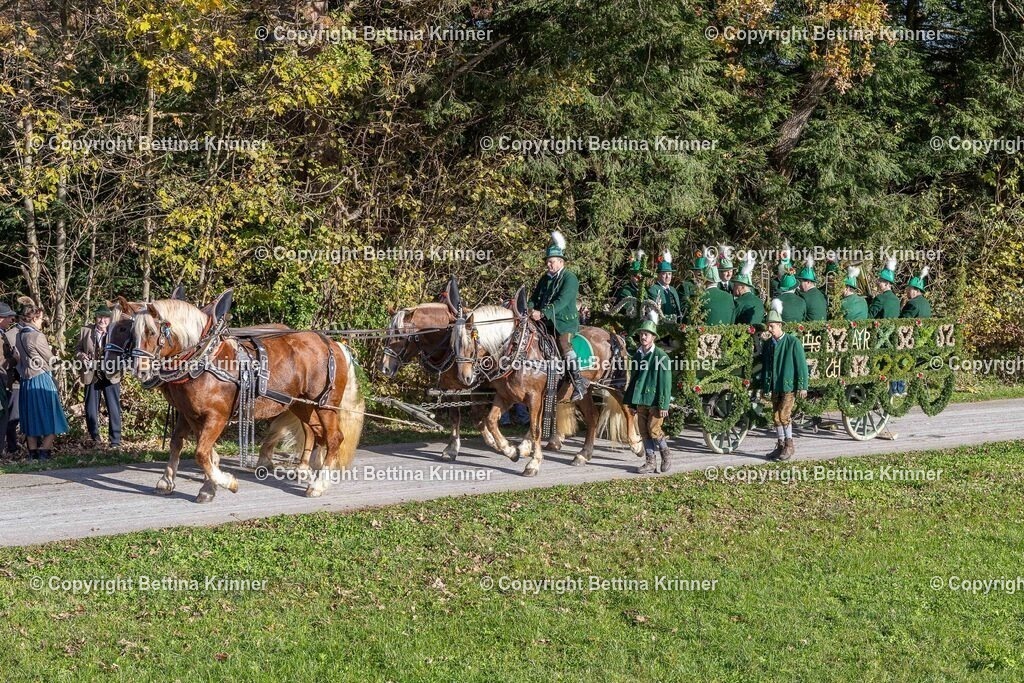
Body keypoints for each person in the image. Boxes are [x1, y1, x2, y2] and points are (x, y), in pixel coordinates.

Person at [528, 231, 587, 401]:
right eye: (547, 261)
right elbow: (534, 298)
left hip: (564, 322)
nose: (548, 264)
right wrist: (530, 309)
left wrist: (543, 312)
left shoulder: (570, 278)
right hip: (543, 321)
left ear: (561, 262)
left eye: (551, 261)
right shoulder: (545, 278)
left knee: (563, 343)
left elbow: (562, 301)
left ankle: (578, 381)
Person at [12, 302, 68, 460]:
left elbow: (20, 360)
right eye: (41, 318)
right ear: (34, 318)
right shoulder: (37, 336)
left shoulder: (19, 335)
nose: (42, 321)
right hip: (41, 378)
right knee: (53, 416)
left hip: (26, 381)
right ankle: (44, 451)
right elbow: (49, 359)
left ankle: (33, 453)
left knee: (31, 417)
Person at [623, 310, 672, 474]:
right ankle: (650, 462)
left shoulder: (661, 356)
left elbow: (665, 383)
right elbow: (634, 380)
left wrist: (664, 404)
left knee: (654, 430)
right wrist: (631, 403)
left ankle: (666, 454)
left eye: (647, 334)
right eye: (641, 334)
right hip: (641, 400)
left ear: (653, 337)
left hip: (655, 401)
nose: (643, 337)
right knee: (644, 432)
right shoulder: (637, 355)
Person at [761, 299, 809, 461]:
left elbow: (801, 365)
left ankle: (789, 445)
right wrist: (765, 386)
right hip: (775, 385)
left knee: (784, 415)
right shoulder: (769, 344)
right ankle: (780, 445)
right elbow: (767, 367)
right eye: (768, 326)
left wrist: (802, 386)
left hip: (789, 385)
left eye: (772, 326)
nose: (770, 329)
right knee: (775, 416)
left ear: (780, 325)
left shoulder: (792, 342)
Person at [75, 306, 123, 449]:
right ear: (95, 318)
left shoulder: (116, 332)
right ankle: (95, 438)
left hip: (111, 374)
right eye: (100, 317)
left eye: (105, 317)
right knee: (90, 407)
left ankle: (115, 440)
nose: (102, 320)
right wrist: (81, 356)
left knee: (113, 407)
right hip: (91, 374)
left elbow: (123, 351)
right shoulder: (86, 330)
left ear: (110, 319)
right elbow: (77, 349)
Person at [647, 251, 685, 321]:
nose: (668, 277)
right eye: (664, 274)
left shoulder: (673, 290)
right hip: (662, 323)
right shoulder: (653, 289)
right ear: (658, 275)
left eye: (669, 274)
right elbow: (655, 313)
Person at [0, 302, 17, 457]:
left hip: (5, 380)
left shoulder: (3, 333)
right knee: (3, 416)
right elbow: (1, 363)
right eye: (8, 317)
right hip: (1, 379)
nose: (11, 320)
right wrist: (15, 359)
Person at [732, 255, 764, 325]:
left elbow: (732, 323)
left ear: (742, 286)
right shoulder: (759, 301)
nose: (733, 288)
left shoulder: (738, 302)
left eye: (735, 285)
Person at [797, 256, 828, 321]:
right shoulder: (821, 294)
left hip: (809, 327)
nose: (799, 285)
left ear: (808, 282)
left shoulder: (804, 297)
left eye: (800, 282)